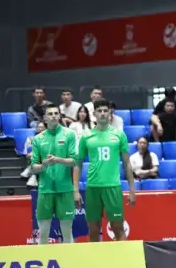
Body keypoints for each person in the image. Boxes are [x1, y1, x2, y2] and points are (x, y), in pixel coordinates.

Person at [74, 99, 136, 242]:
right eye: (99, 111)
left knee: (118, 228)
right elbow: (78, 164)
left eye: (105, 111)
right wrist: (75, 190)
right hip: (93, 187)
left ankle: (124, 257)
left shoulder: (119, 134)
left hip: (113, 187)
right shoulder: (86, 136)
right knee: (93, 230)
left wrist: (132, 190)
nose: (102, 113)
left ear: (110, 113)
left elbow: (127, 163)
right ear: (94, 114)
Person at [30, 104, 78, 244]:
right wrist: (44, 165)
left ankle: (70, 258)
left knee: (67, 232)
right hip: (45, 190)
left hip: (65, 189)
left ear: (60, 116)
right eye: (50, 114)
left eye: (56, 113)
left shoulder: (69, 134)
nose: (53, 116)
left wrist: (57, 160)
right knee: (43, 233)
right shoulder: (38, 139)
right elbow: (33, 168)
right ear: (45, 118)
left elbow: (74, 161)